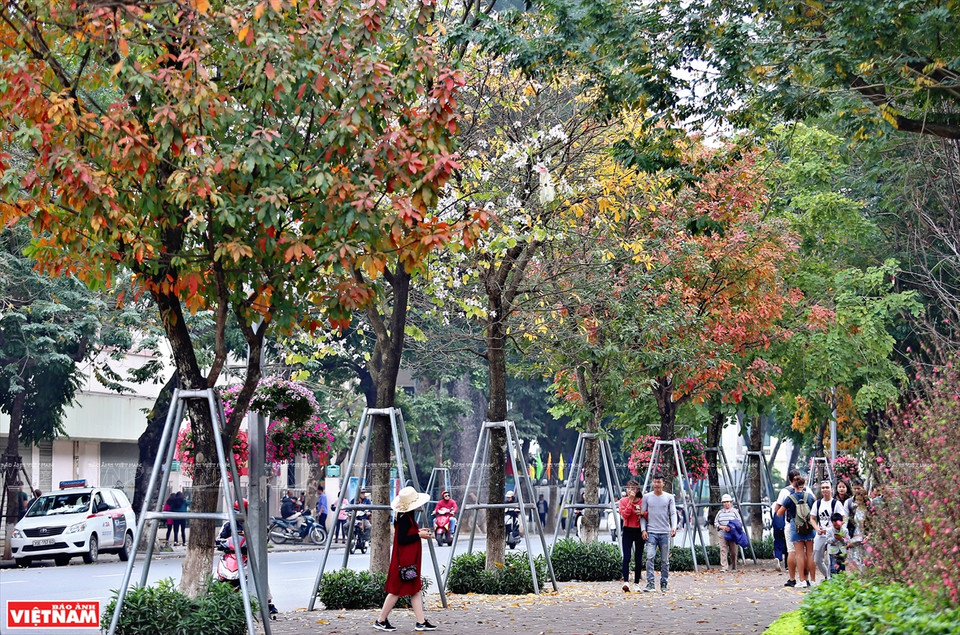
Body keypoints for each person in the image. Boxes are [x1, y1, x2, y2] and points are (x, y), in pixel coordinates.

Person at [374, 486, 437, 632]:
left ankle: (420, 622)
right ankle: (380, 620)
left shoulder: (404, 516)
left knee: (415, 589)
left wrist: (418, 532)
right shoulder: (404, 519)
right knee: (396, 590)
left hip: (408, 562)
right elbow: (402, 539)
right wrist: (419, 535)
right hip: (403, 563)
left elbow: (405, 534)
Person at [777, 475, 816, 588]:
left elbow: (779, 513)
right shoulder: (809, 496)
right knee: (810, 554)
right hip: (809, 526)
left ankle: (802, 580)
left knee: (798, 554)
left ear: (793, 485)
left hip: (796, 527)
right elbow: (815, 511)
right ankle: (813, 581)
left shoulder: (790, 498)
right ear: (803, 485)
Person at [641, 473, 677, 593]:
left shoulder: (669, 497)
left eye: (659, 482)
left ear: (663, 484)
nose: (656, 484)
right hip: (651, 532)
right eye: (655, 482)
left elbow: (673, 513)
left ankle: (664, 583)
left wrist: (674, 527)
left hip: (664, 533)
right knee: (650, 557)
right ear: (652, 482)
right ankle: (650, 583)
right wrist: (643, 529)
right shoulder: (646, 497)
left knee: (664, 560)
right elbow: (642, 514)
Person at [773, 470, 803, 585]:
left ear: (788, 478)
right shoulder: (807, 490)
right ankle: (805, 579)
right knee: (805, 552)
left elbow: (778, 511)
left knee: (792, 551)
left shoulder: (785, 492)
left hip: (791, 524)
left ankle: (792, 579)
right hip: (806, 526)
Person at [812, 480, 845, 582]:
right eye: (823, 488)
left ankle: (831, 580)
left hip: (832, 535)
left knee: (831, 558)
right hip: (821, 534)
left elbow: (843, 518)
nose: (825, 489)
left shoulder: (836, 503)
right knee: (817, 558)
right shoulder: (817, 503)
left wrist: (834, 529)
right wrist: (817, 529)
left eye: (827, 487)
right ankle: (827, 576)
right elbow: (812, 518)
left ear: (831, 489)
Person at [618, 480, 645, 592]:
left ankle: (637, 583)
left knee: (638, 558)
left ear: (637, 490)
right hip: (628, 530)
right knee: (627, 557)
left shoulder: (643, 502)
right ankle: (626, 582)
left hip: (639, 531)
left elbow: (648, 514)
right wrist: (630, 502)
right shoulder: (623, 501)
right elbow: (625, 515)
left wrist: (642, 513)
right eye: (628, 488)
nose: (631, 490)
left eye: (633, 488)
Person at [714, 493, 743, 572]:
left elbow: (739, 522)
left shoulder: (734, 512)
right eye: (725, 502)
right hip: (722, 533)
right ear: (723, 503)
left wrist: (732, 527)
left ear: (731, 502)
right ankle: (724, 567)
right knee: (723, 550)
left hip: (732, 534)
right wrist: (721, 527)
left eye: (728, 502)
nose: (726, 503)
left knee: (733, 551)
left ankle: (734, 566)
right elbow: (716, 522)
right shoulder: (720, 512)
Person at [846, 479, 870, 572]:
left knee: (864, 558)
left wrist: (868, 535)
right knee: (854, 557)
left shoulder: (868, 510)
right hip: (855, 535)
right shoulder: (855, 509)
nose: (858, 501)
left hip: (864, 535)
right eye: (857, 499)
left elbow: (870, 525)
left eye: (860, 500)